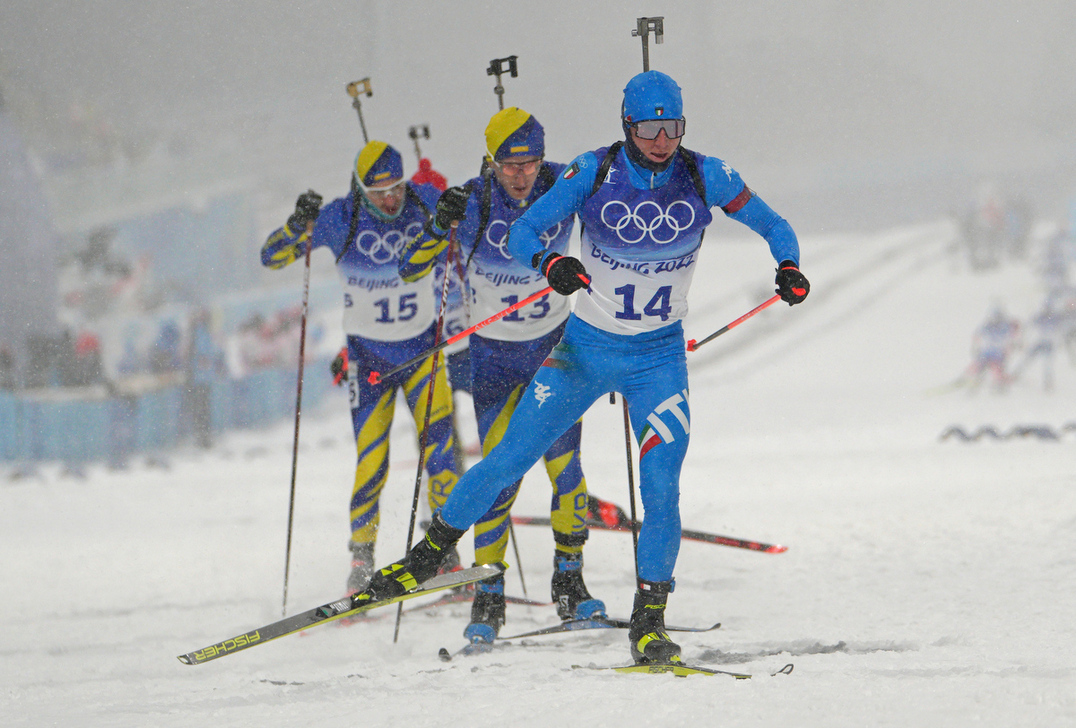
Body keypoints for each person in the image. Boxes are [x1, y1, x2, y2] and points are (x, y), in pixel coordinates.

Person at [356, 71, 809, 666]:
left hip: (658, 362)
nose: (661, 140)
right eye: (649, 128)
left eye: (671, 127)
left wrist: (789, 265)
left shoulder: (709, 175)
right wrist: (549, 263)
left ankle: (649, 620)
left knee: (661, 487)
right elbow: (522, 232)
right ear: (627, 123)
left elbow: (775, 224)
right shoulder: (592, 172)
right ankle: (424, 560)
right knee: (508, 461)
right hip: (583, 353)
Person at [398, 107, 604, 643]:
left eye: (530, 162)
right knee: (497, 479)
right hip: (495, 362)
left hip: (556, 354)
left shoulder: (563, 181)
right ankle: (488, 596)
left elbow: (619, 204)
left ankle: (569, 584)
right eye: (510, 165)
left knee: (568, 473)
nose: (522, 175)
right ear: (491, 162)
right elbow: (410, 267)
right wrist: (439, 221)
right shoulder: (471, 202)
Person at [260, 140, 463, 595]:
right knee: (372, 462)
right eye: (378, 193)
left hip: (422, 356)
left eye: (395, 188)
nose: (390, 200)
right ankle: (362, 558)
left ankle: (446, 553)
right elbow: (271, 258)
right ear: (359, 189)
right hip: (368, 362)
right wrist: (296, 224)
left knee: (441, 455)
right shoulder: (340, 216)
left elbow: (478, 230)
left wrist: (453, 199)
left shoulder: (423, 203)